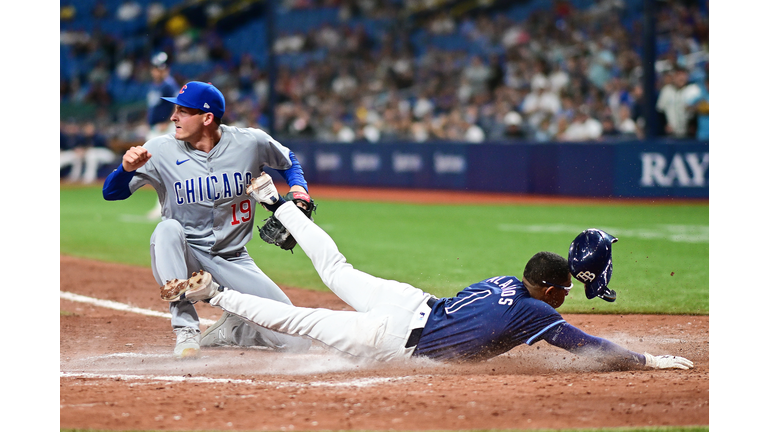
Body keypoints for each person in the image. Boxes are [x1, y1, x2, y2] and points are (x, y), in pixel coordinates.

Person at [160, 172, 694, 370]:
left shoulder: (507, 283)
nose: (565, 300)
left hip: (406, 300)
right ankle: (216, 294)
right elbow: (586, 347)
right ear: (551, 290)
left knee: (334, 265)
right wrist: (649, 361)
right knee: (300, 320)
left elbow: (515, 306)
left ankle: (276, 202)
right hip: (393, 334)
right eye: (564, 293)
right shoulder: (534, 311)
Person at [103, 81, 314, 359]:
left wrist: (298, 188)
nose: (173, 117)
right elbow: (111, 192)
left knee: (297, 340)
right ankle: (186, 330)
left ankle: (234, 329)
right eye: (174, 109)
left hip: (234, 258)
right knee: (167, 229)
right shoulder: (160, 149)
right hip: (186, 253)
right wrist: (125, 169)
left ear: (207, 118)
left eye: (182, 111)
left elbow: (288, 159)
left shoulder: (250, 142)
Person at [145, 52, 179, 219]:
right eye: (156, 68)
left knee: (163, 168)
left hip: (164, 130)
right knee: (157, 168)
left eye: (161, 68)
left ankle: (163, 206)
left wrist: (167, 121)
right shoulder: (155, 85)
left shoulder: (168, 84)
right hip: (156, 129)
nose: (158, 71)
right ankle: (162, 205)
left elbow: (176, 103)